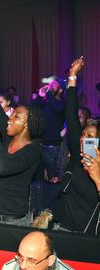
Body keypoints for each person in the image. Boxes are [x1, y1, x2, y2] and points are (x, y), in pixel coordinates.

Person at [0, 43, 46, 226]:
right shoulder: (7, 137)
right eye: (12, 114)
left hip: (14, 222)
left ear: (27, 126)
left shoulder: (33, 150)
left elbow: (2, 167)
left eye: (16, 117)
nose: (10, 118)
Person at [53, 56, 100, 235]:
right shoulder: (77, 157)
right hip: (60, 227)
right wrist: (72, 76)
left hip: (84, 236)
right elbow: (71, 115)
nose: (83, 139)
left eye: (90, 137)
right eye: (83, 134)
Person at [1, 231, 73, 270]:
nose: (22, 266)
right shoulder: (9, 267)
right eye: (21, 257)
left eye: (31, 260)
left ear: (50, 260)